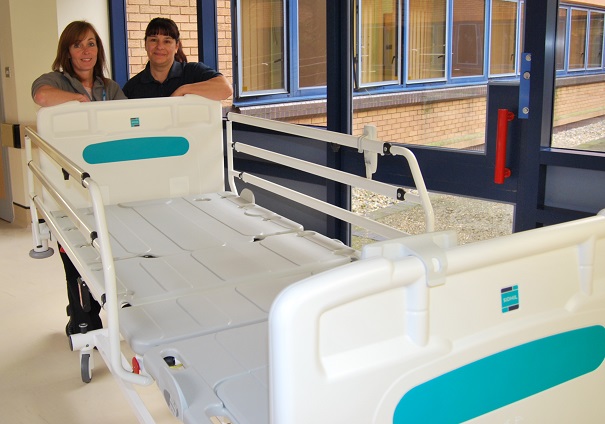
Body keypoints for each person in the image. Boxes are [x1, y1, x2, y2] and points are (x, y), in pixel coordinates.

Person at [31, 21, 127, 336]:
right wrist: (81, 103)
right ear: (67, 51)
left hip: (107, 179)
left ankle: (83, 309)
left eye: (91, 44)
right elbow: (42, 96)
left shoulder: (110, 88)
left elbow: (125, 125)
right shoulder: (56, 80)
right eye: (77, 45)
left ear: (98, 49)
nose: (85, 52)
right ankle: (85, 319)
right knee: (77, 253)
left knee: (106, 250)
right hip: (69, 182)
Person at [123, 17, 233, 100]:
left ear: (176, 46)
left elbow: (226, 89)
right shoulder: (132, 87)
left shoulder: (193, 72)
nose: (159, 47)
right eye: (153, 40)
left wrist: (183, 90)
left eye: (167, 41)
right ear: (145, 44)